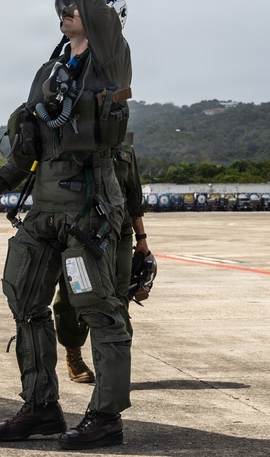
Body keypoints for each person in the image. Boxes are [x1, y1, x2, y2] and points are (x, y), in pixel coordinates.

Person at [0, 0, 133, 450]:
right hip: (44, 210)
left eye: (77, 4)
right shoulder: (50, 72)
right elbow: (28, 147)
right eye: (62, 5)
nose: (68, 10)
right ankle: (40, 408)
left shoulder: (110, 60)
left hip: (88, 210)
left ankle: (106, 418)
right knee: (25, 300)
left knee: (98, 310)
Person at [53, 135, 151, 385]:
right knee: (74, 292)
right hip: (83, 228)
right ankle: (73, 354)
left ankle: (113, 362)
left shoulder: (126, 151)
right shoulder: (73, 144)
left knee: (118, 297)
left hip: (121, 230)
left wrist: (142, 239)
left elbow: (134, 198)